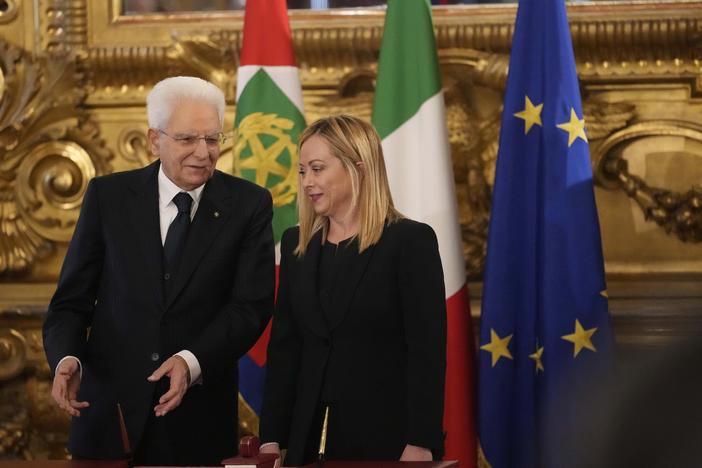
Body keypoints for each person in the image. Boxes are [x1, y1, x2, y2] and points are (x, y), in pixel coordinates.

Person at [43, 76, 275, 466]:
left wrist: (190, 360)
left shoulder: (248, 204)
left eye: (213, 139)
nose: (203, 153)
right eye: (187, 139)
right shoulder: (108, 197)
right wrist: (67, 359)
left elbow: (250, 306)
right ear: (155, 140)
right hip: (107, 417)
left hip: (196, 420)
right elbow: (70, 301)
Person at [259, 115, 446, 466]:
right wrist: (272, 437)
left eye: (317, 169)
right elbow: (286, 350)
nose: (307, 182)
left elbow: (426, 351)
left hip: (388, 440)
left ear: (357, 168)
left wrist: (421, 440)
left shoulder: (409, 241)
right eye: (302, 171)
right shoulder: (296, 245)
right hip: (305, 442)